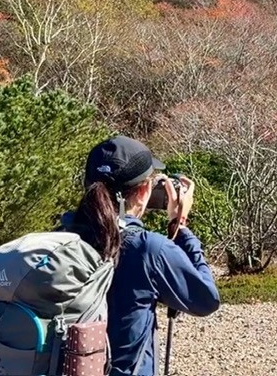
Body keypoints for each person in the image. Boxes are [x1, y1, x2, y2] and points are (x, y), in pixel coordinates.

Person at [62, 135, 221, 376]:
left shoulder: (62, 236)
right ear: (145, 190)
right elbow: (206, 300)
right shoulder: (147, 248)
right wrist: (180, 225)